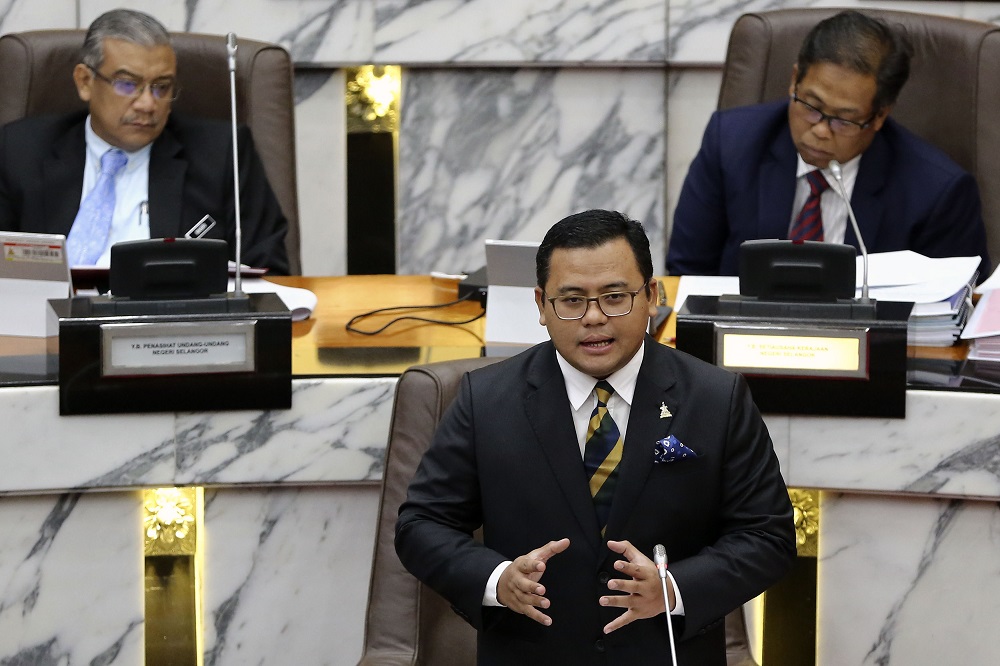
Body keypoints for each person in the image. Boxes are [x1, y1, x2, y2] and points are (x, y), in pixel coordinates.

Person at [396, 209, 796, 665]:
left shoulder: (716, 398)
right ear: (541, 306)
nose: (593, 318)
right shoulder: (485, 400)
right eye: (571, 300)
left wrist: (673, 589)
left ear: (650, 295)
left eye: (614, 297)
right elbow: (420, 525)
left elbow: (769, 535)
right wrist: (497, 579)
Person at [667, 10, 990, 279]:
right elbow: (686, 272)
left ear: (879, 116)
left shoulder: (937, 193)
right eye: (810, 106)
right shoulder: (731, 144)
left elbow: (953, 313)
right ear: (795, 80)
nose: (821, 130)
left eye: (844, 119)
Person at [0, 8, 289, 274]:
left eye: (161, 87)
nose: (148, 104)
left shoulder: (224, 153)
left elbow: (270, 270)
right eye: (127, 84)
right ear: (84, 81)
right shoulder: (19, 151)